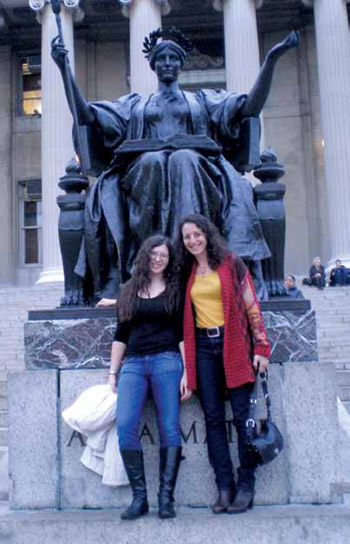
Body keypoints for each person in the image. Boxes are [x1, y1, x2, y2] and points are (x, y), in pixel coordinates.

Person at [51, 28, 299, 301]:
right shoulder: (135, 105)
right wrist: (65, 71)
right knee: (154, 161)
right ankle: (148, 260)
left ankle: (188, 258)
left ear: (181, 64)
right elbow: (86, 114)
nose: (167, 63)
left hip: (197, 167)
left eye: (173, 58)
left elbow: (250, 107)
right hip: (144, 169)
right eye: (162, 58)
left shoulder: (202, 101)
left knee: (184, 158)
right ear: (153, 65)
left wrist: (271, 61)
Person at [176, 214, 271, 515]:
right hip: (203, 348)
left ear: (207, 234)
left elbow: (251, 304)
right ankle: (224, 486)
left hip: (234, 344)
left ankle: (246, 484)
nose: (192, 240)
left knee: (243, 418)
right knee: (214, 420)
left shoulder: (231, 263)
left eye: (196, 234)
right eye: (187, 236)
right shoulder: (187, 271)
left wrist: (262, 346)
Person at [107, 234, 191, 520]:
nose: (158, 259)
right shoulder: (130, 288)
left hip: (167, 361)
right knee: (126, 425)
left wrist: (188, 372)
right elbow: (121, 334)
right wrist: (112, 374)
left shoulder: (176, 289)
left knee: (169, 426)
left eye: (163, 255)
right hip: (133, 364)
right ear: (146, 255)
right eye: (154, 254)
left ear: (169, 260)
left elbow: (182, 333)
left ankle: (166, 498)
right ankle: (139, 498)